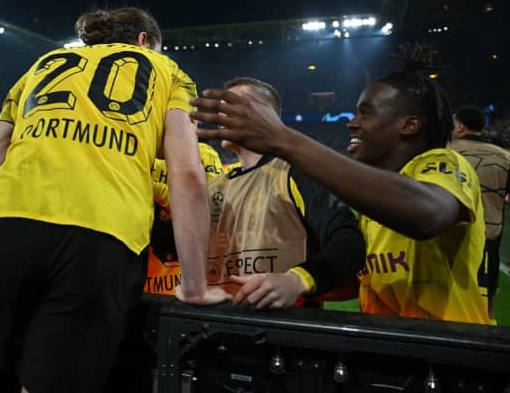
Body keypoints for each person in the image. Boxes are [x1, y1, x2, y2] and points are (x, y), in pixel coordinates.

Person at [0, 7, 228, 393]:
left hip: (7, 221)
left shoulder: (44, 64)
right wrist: (195, 286)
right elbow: (186, 172)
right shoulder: (168, 73)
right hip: (107, 235)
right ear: (145, 41)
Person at [191, 44, 491, 323]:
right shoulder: (376, 203)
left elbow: (429, 215)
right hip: (388, 347)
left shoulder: (443, 162)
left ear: (409, 125)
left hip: (449, 351)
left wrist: (283, 139)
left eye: (366, 112)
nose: (352, 122)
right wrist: (292, 281)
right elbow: (352, 278)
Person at [203, 77, 364, 309]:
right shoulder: (213, 187)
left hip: (285, 331)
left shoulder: (297, 173)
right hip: (217, 326)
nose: (221, 113)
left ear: (265, 115)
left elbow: (349, 242)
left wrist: (296, 280)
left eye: (232, 104)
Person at [449, 105, 510, 318]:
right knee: (486, 301)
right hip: (489, 236)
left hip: (450, 233)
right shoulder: (504, 156)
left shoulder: (444, 152)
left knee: (445, 298)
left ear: (459, 126)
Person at [146, 140, 223, 295]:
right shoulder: (202, 153)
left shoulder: (203, 153)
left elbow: (214, 206)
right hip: (161, 251)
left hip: (165, 252)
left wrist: (164, 195)